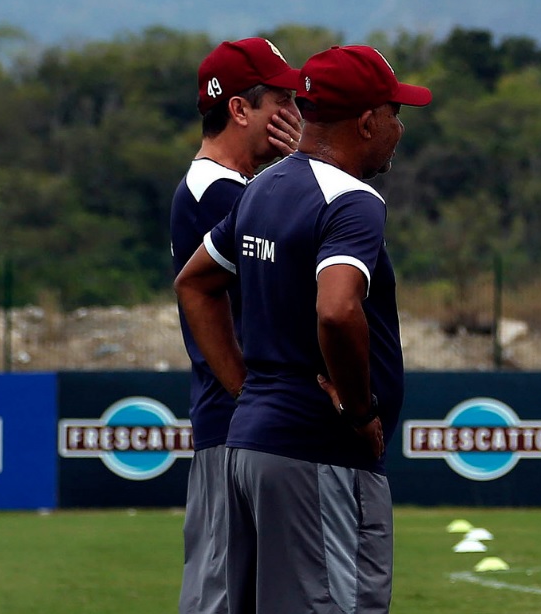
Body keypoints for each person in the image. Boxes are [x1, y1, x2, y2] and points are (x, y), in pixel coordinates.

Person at [174, 44, 431, 614]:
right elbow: (337, 310)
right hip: (319, 450)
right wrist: (362, 411)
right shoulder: (353, 201)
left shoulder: (263, 187)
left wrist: (249, 391)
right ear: (366, 121)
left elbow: (195, 282)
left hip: (252, 444)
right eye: (394, 112)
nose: (400, 127)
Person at [170, 36, 302, 614]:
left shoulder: (241, 190)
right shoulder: (217, 192)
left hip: (246, 427)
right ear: (240, 108)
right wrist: (310, 170)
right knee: (223, 597)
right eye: (282, 101)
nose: (296, 117)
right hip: (234, 427)